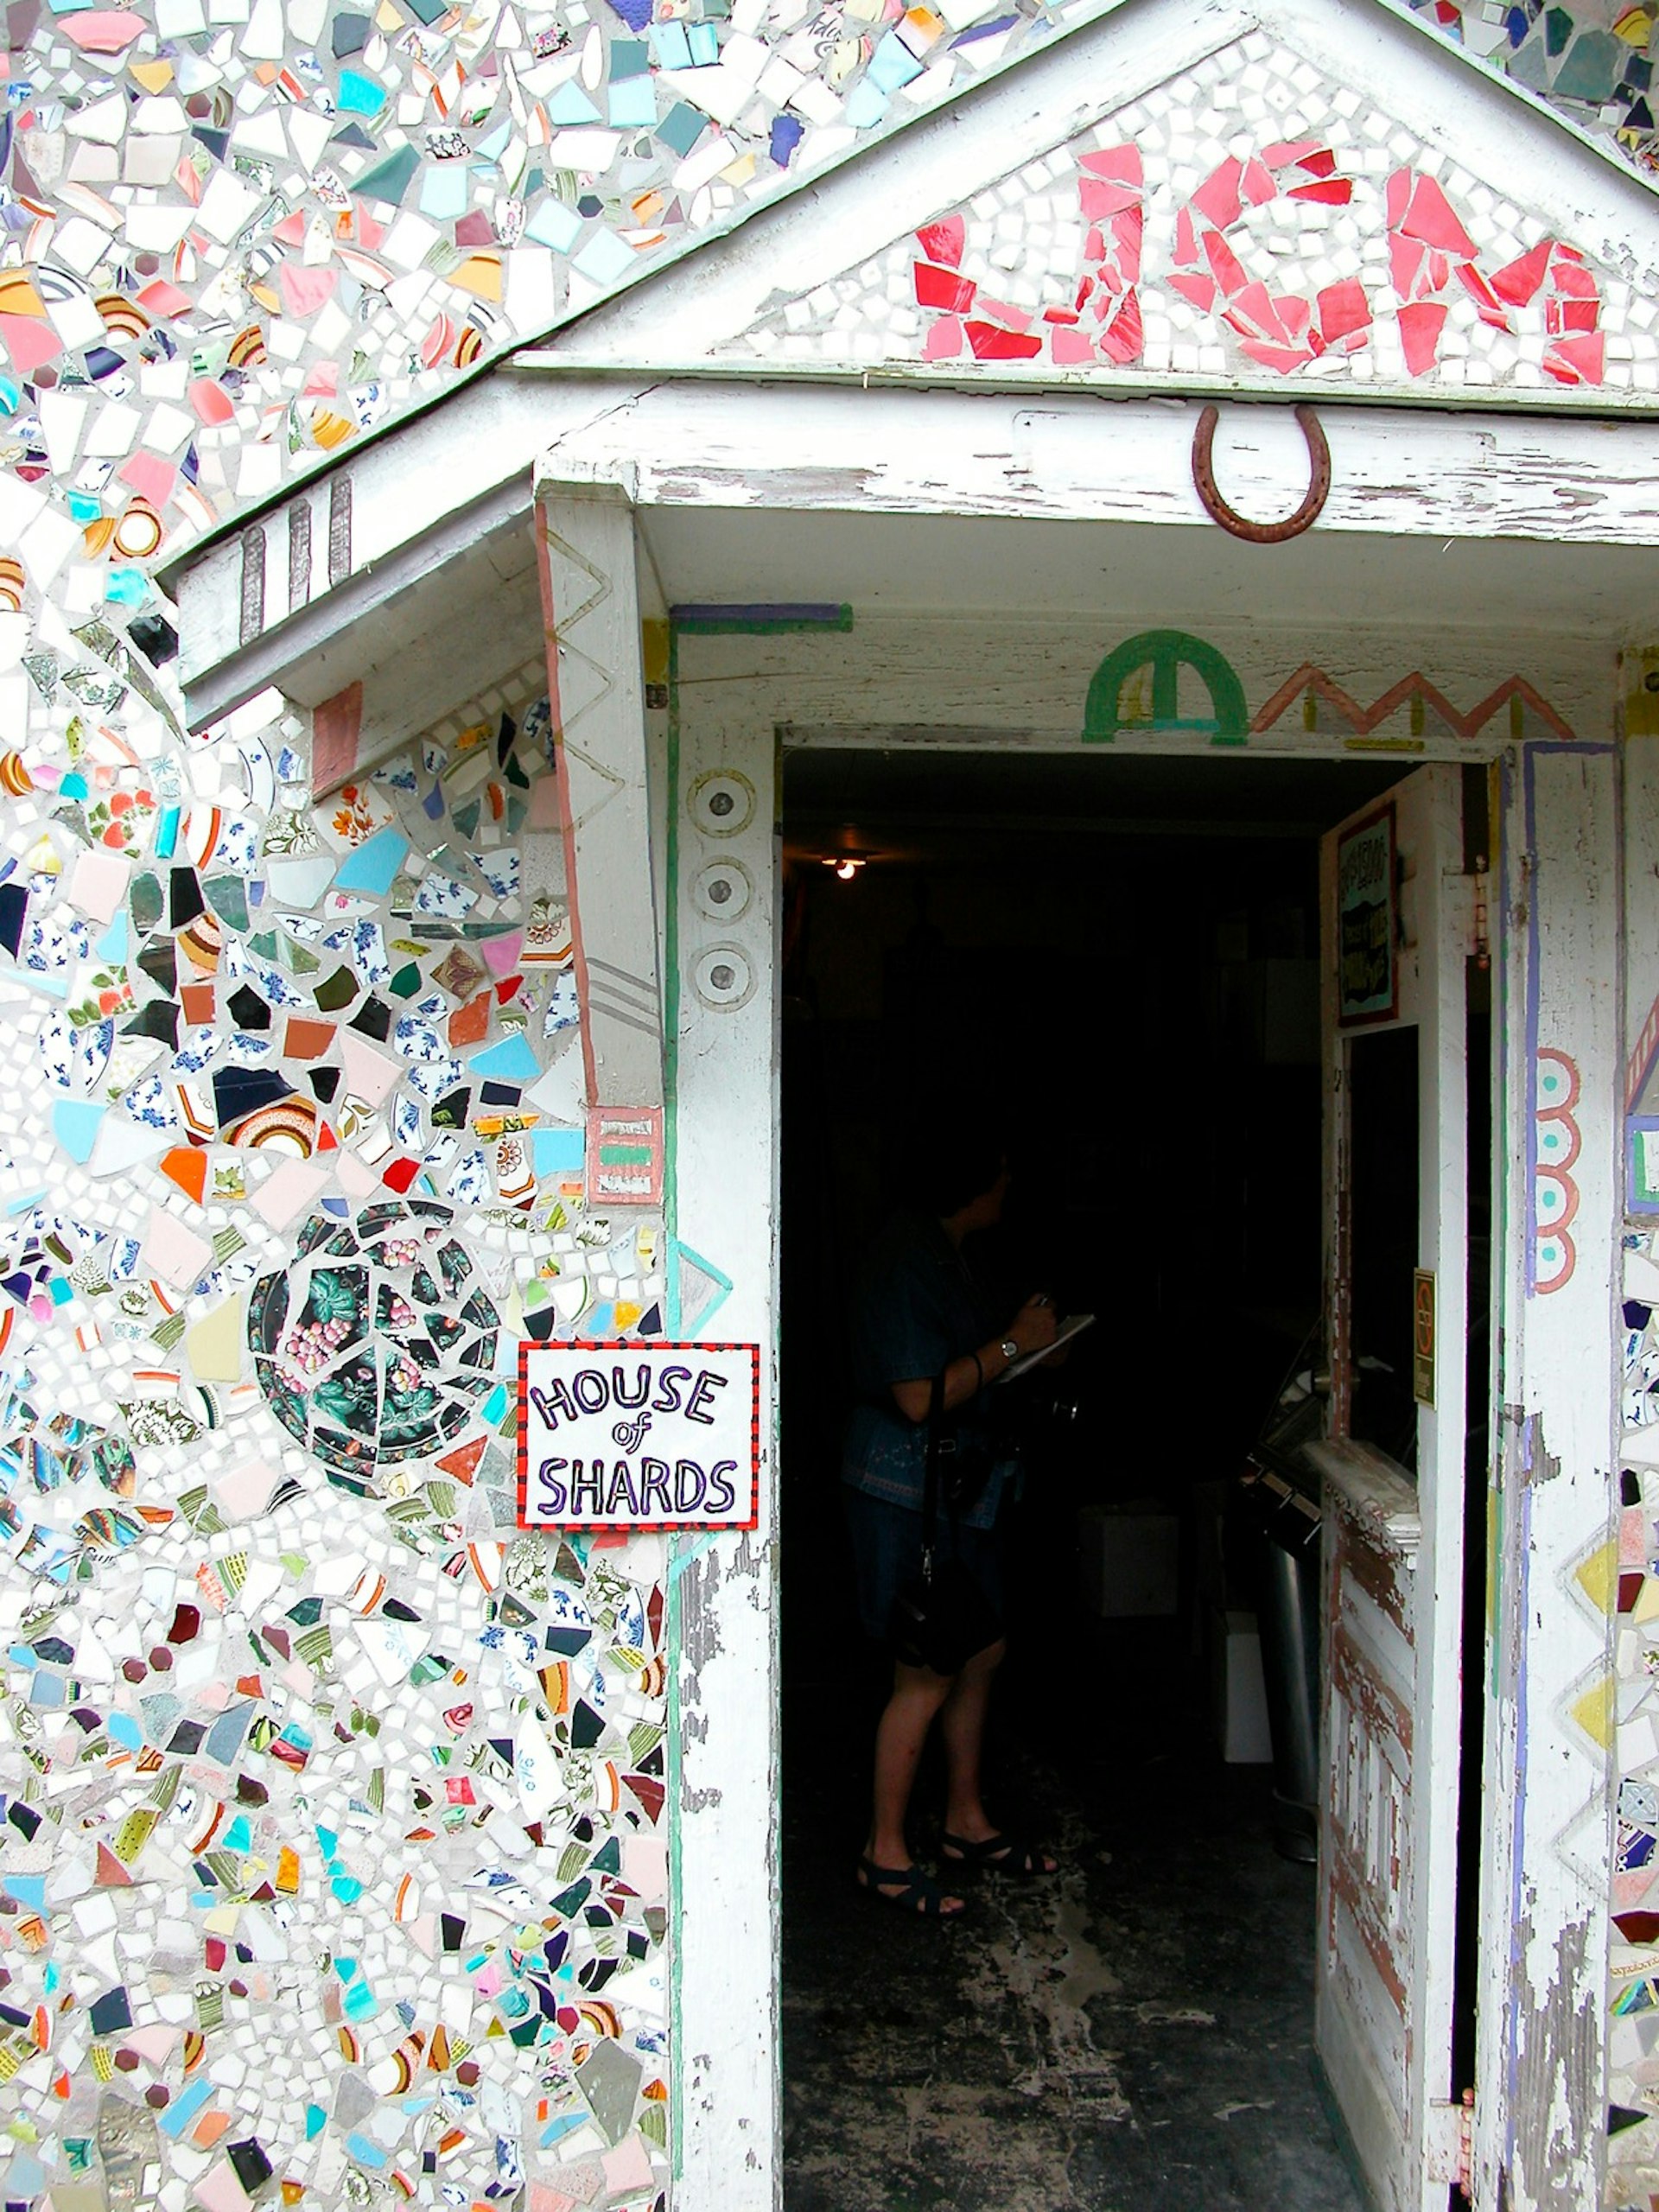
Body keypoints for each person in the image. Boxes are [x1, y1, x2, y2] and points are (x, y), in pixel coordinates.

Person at [842, 1128, 1059, 1916]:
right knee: (926, 1662)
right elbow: (915, 1393)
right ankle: (885, 1850)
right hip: (909, 1491)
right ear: (968, 1181)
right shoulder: (906, 1257)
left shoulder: (951, 1249)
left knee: (981, 1647)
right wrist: (1016, 1344)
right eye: (1001, 1172)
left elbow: (974, 1362)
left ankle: (965, 1821)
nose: (1010, 1187)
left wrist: (1031, 1352)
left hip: (962, 1489)